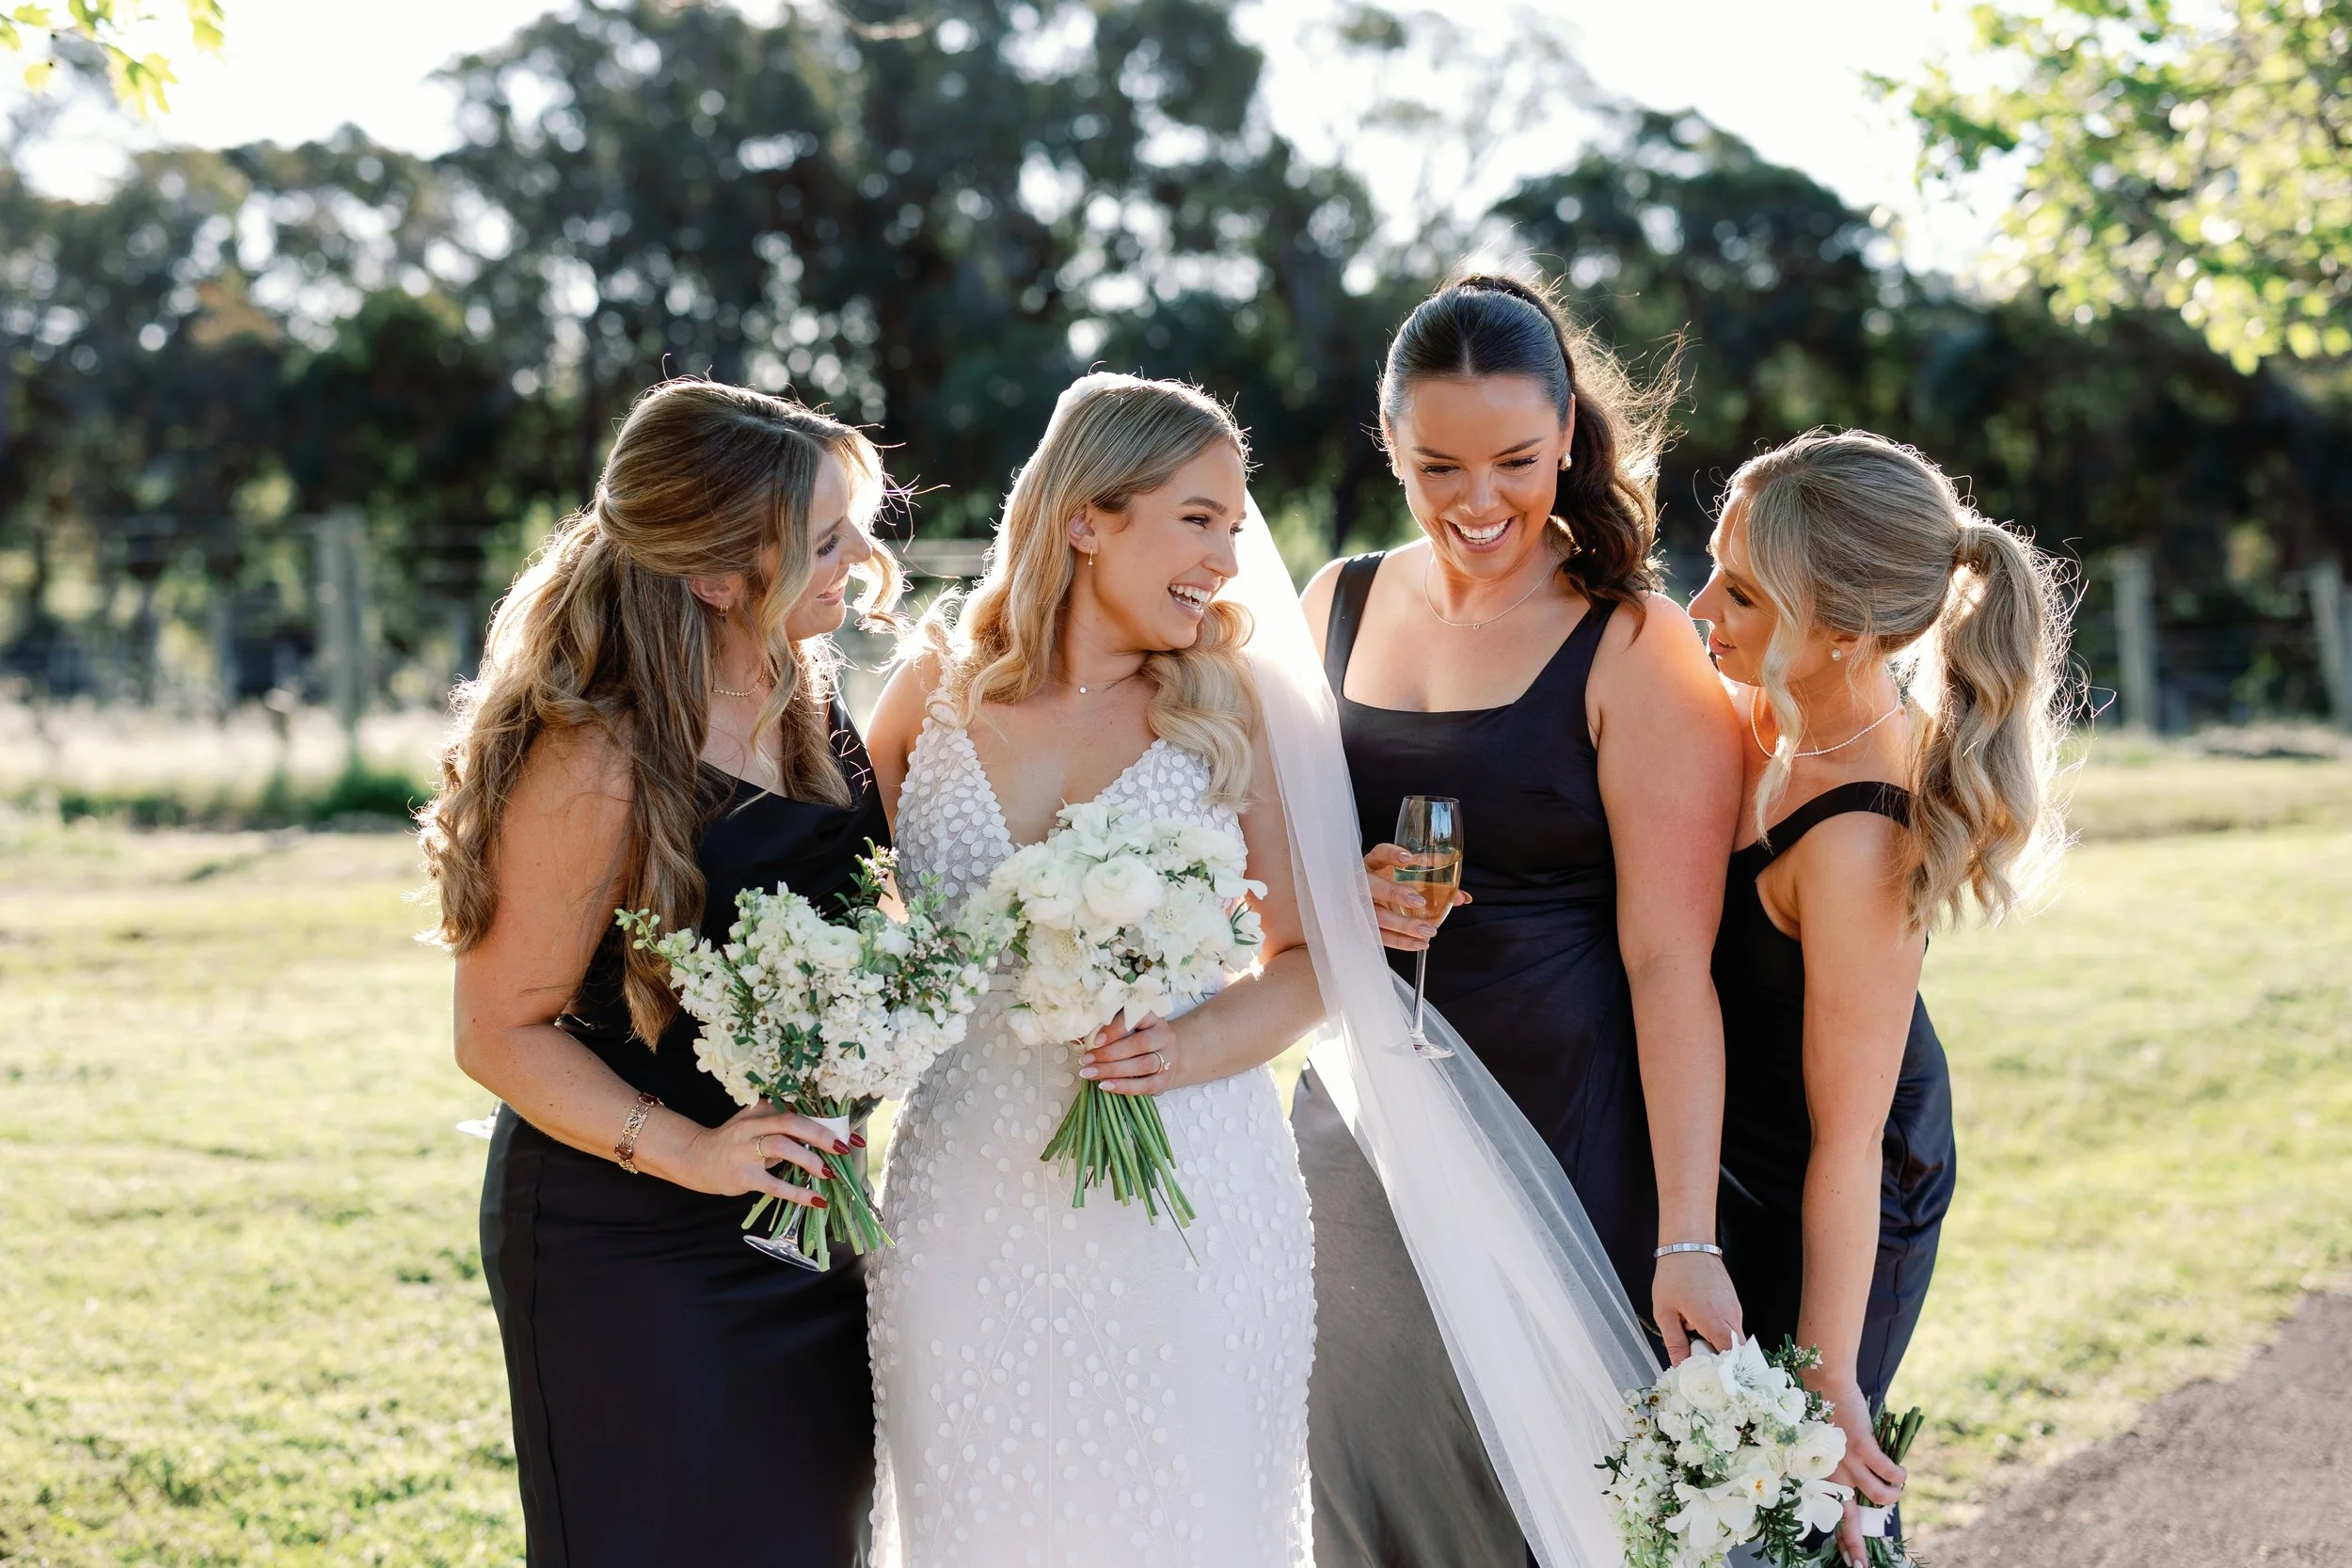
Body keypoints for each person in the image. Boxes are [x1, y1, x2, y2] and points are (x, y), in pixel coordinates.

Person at [1290, 273, 1745, 1568]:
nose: (1478, 501)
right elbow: (1258, 870)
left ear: (1567, 436)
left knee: (1553, 1486)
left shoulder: (1632, 640)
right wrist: (1335, 893)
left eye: (1515, 460)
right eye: (1438, 465)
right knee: (1360, 1462)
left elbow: (1671, 961)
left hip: (1564, 1121)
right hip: (1358, 1117)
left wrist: (1688, 1230)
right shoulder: (1334, 605)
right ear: (1390, 445)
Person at [420, 378, 902, 1567]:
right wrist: (689, 1149)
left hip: (799, 1221)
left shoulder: (809, 699)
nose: (862, 560)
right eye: (826, 539)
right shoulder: (596, 756)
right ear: (716, 573)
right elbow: (495, 1027)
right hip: (626, 1234)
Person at [861, 373, 1327, 1567]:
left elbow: (1311, 963)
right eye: (1198, 518)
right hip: (963, 1191)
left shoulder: (1233, 707)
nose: (1228, 556)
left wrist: (1185, 1047)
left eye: (1235, 523)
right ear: (1086, 518)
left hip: (1187, 1189)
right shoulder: (936, 688)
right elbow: (854, 903)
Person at [1689, 429, 2070, 1565]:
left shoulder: (1859, 835)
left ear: (1844, 631)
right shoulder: (1773, 706)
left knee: (1814, 1479)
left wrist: (1830, 1370)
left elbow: (1850, 1143)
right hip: (1762, 1143)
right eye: (1711, 562)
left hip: (1855, 1174)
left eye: (1743, 594)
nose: (1699, 603)